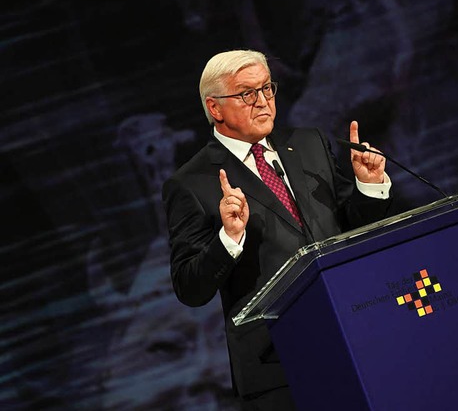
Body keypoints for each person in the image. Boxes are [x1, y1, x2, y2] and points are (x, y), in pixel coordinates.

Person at [162, 49, 393, 410]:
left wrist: (369, 186)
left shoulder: (309, 145)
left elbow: (354, 229)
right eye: (246, 94)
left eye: (267, 89)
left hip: (356, 334)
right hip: (279, 365)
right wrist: (229, 237)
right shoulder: (192, 183)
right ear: (215, 108)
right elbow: (190, 287)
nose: (263, 102)